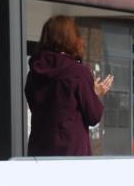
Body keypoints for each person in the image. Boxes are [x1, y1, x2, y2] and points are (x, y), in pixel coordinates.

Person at [25, 16, 113, 156]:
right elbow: (93, 115)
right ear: (72, 39)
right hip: (71, 154)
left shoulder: (34, 72)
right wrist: (93, 94)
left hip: (39, 150)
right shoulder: (78, 72)